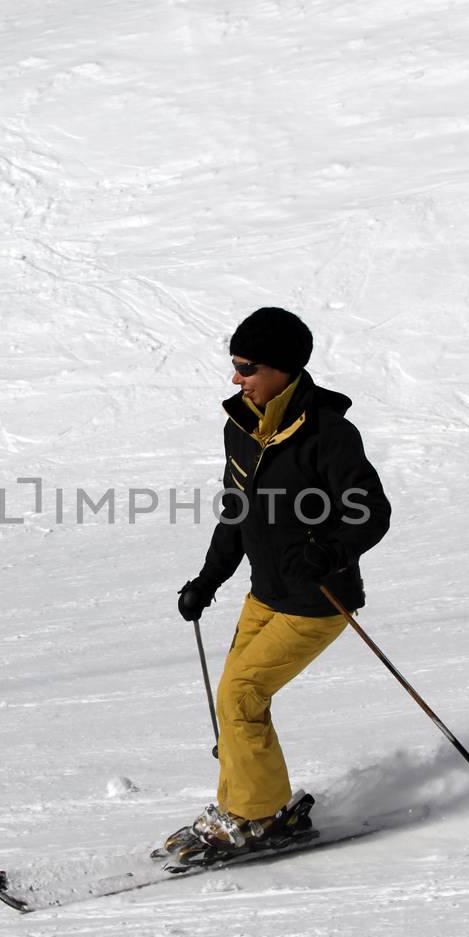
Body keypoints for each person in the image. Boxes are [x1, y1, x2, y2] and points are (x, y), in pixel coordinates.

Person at [166, 307, 391, 863]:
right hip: (264, 593)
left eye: (245, 366)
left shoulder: (327, 433)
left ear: (282, 369)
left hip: (318, 600)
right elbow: (236, 515)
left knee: (240, 695)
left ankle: (254, 816)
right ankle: (245, 805)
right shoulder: (240, 427)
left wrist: (328, 551)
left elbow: (372, 511)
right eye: (234, 364)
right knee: (238, 700)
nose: (235, 378)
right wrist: (207, 580)